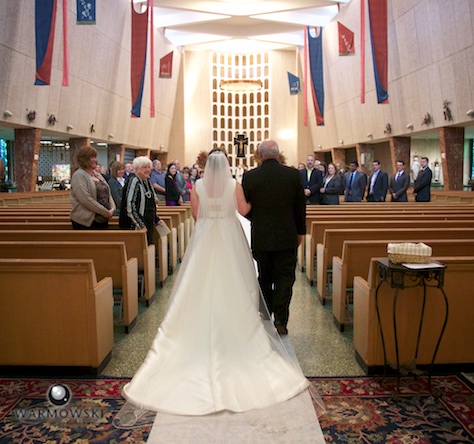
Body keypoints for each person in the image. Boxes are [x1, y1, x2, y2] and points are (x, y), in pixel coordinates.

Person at [117, 149, 316, 424]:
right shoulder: (233, 184)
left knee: (200, 280)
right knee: (236, 279)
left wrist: (212, 216)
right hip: (229, 235)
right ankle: (242, 323)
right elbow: (244, 210)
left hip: (207, 236)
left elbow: (197, 216)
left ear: (206, 165)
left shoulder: (197, 185)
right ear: (225, 166)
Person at [242, 139, 306, 335]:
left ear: (260, 155)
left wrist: (257, 219)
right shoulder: (293, 175)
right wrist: (300, 232)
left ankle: (266, 314)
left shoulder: (250, 176)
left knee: (264, 276)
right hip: (287, 236)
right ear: (278, 154)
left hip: (261, 236)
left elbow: (245, 208)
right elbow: (300, 207)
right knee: (285, 279)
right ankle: (281, 320)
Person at [120, 156, 163, 245]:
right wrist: (141, 225)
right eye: (144, 167)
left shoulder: (146, 180)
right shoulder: (134, 181)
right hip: (136, 226)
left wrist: (156, 219)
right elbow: (130, 205)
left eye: (149, 167)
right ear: (136, 169)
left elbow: (149, 204)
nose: (147, 170)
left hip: (147, 223)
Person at [70, 145, 115, 229]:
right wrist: (104, 212)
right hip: (86, 221)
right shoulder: (79, 175)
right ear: (83, 159)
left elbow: (108, 193)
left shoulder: (97, 175)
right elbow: (85, 199)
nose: (95, 160)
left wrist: (112, 208)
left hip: (102, 219)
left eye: (95, 157)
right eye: (91, 157)